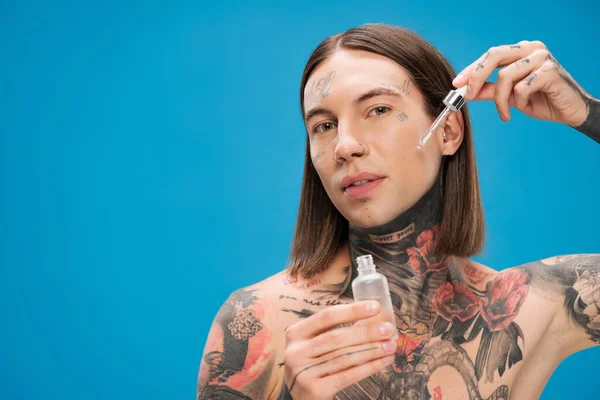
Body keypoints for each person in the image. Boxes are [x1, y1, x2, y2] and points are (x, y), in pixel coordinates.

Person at [196, 24, 599, 400]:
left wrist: (588, 113)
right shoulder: (256, 321)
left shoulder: (531, 306)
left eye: (378, 110)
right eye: (323, 126)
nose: (345, 145)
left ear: (448, 131)